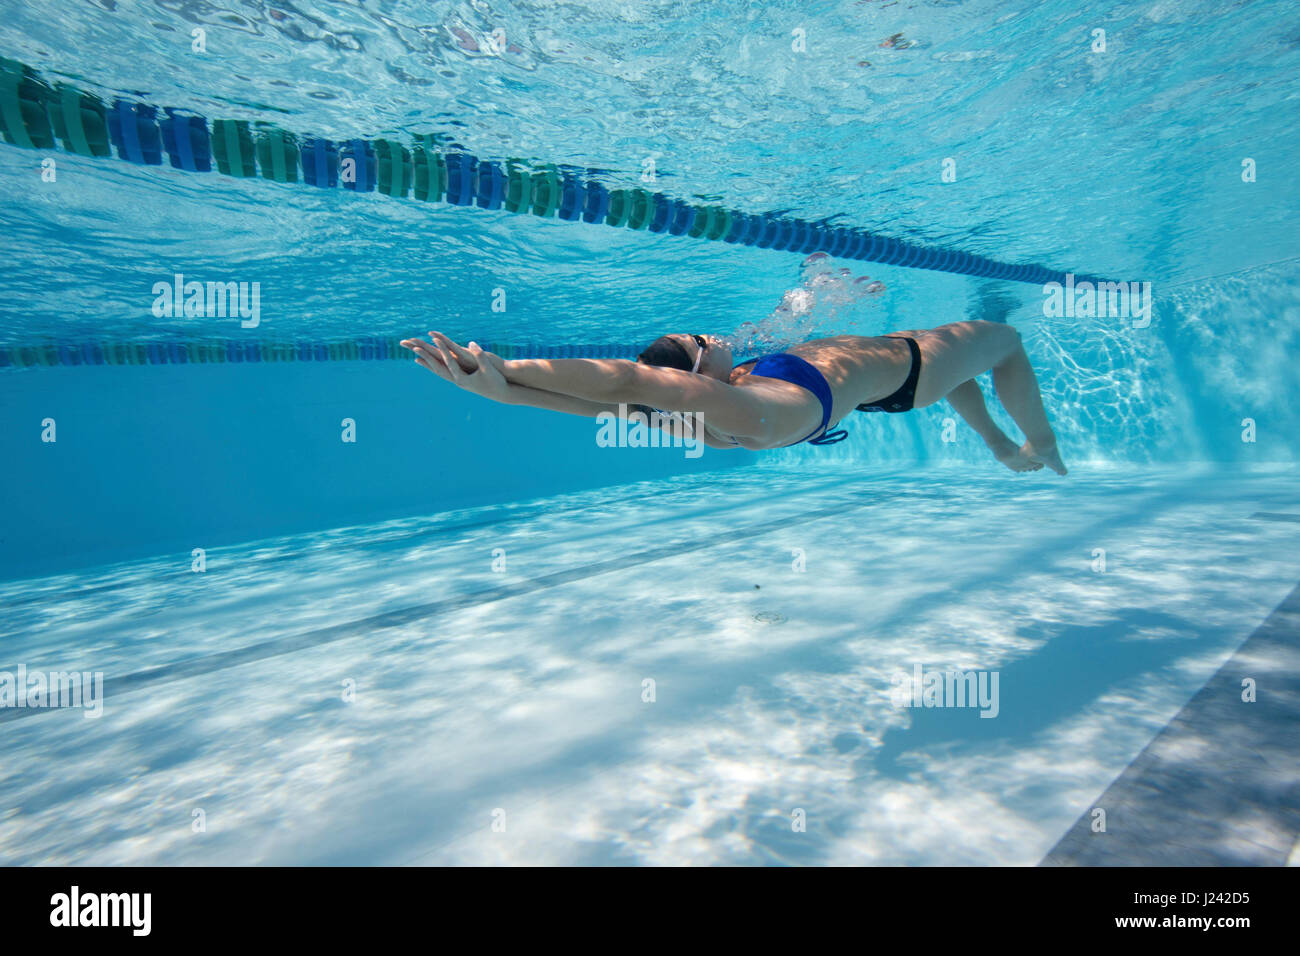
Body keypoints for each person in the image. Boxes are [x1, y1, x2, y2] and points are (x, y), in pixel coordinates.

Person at [401, 319, 1067, 474]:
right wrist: (507, 362)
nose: (718, 337)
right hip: (910, 369)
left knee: (966, 376)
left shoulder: (708, 412)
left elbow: (604, 405)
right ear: (697, 370)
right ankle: (1044, 444)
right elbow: (627, 383)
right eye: (703, 339)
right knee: (1004, 340)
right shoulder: (746, 411)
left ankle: (1003, 445)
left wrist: (502, 391)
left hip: (896, 383)